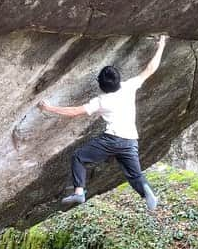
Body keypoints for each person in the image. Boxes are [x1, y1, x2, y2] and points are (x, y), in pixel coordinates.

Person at [37, 35, 167, 210]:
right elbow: (150, 68)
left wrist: (49, 108)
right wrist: (161, 46)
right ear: (118, 80)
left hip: (112, 140)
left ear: (101, 85)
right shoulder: (129, 87)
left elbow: (75, 112)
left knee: (79, 157)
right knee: (135, 175)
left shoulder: (101, 101)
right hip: (130, 142)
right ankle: (147, 193)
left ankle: (79, 192)